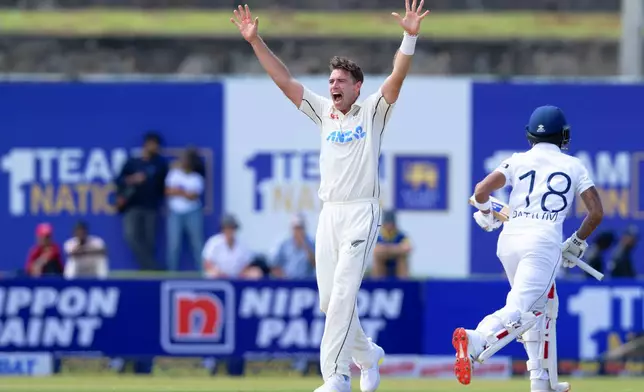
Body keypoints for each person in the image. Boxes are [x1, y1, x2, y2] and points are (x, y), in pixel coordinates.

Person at [231, 2, 429, 391]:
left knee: (342, 295)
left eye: (341, 81)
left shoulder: (372, 112)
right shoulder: (323, 113)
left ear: (357, 86)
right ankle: (368, 355)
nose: (333, 85)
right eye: (331, 80)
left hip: (361, 212)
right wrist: (255, 42)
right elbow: (284, 82)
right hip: (330, 215)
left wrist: (409, 37)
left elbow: (397, 78)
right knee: (329, 302)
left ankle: (335, 378)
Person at [455, 106, 603, 392]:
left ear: (530, 135)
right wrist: (577, 242)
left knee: (545, 305)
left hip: (509, 241)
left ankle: (543, 379)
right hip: (542, 244)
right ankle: (477, 338)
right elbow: (596, 213)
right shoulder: (574, 165)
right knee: (523, 308)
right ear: (563, 136)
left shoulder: (517, 160)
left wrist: (486, 213)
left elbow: (480, 191)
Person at [115, 131, 168, 270]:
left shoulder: (160, 163)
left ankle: (147, 268)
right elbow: (118, 181)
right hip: (132, 206)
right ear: (146, 144)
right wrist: (133, 179)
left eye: (157, 145)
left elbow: (164, 185)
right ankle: (150, 266)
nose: (155, 148)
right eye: (153, 144)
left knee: (149, 240)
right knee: (131, 236)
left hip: (151, 207)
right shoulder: (132, 162)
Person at [165, 148, 205, 271]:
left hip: (193, 212)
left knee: (197, 244)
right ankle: (171, 274)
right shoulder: (174, 174)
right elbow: (168, 191)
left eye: (187, 160)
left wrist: (178, 190)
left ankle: (202, 273)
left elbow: (193, 196)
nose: (184, 162)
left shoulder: (197, 178)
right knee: (174, 245)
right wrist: (184, 192)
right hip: (175, 213)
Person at [270, 213, 316, 279]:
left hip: (306, 283)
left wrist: (305, 246)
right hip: (288, 283)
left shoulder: (311, 244)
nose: (298, 231)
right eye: (296, 228)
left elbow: (316, 265)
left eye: (300, 228)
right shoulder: (284, 245)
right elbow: (275, 266)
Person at [372, 210, 412, 279]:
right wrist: (396, 249)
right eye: (387, 223)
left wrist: (386, 249)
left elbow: (407, 248)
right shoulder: (378, 235)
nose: (389, 226)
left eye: (391, 223)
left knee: (402, 258)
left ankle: (402, 283)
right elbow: (375, 250)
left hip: (396, 265)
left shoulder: (401, 235)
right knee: (378, 257)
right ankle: (379, 282)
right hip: (382, 265)